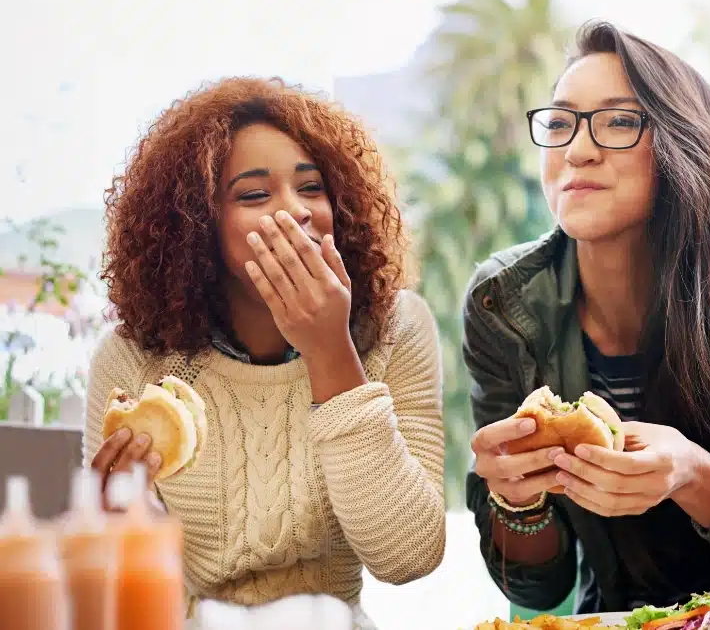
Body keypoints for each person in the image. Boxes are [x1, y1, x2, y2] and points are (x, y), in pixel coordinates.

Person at [461, 20, 710, 629]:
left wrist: (695, 477)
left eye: (619, 122)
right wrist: (519, 500)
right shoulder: (503, 305)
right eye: (561, 123)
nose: (577, 150)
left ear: (682, 145)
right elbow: (539, 590)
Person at [84, 77, 446, 629]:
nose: (294, 212)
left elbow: (408, 555)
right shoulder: (135, 361)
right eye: (254, 195)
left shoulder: (396, 329)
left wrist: (331, 353)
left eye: (312, 188)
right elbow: (123, 581)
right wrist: (123, 526)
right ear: (197, 224)